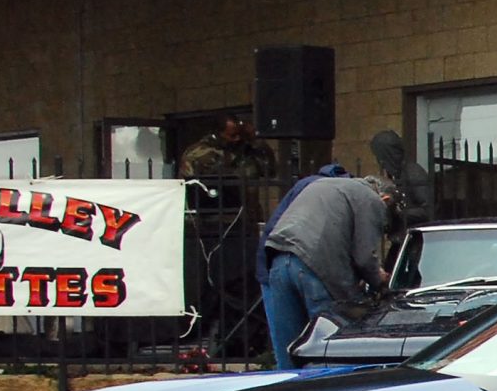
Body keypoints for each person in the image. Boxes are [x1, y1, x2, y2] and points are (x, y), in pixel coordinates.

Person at [261, 173, 392, 367]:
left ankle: (290, 386)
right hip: (315, 268)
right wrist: (379, 280)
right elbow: (365, 257)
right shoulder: (370, 198)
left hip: (278, 259)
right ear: (385, 199)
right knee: (327, 350)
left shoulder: (322, 184)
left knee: (288, 351)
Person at [180, 115, 279, 183]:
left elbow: (270, 171)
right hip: (213, 204)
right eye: (233, 135)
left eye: (239, 134)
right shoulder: (198, 152)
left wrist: (256, 141)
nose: (237, 139)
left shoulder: (245, 148)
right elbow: (187, 183)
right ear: (218, 133)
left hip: (247, 205)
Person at [370, 129, 435, 218]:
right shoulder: (392, 174)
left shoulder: (413, 172)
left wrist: (399, 211)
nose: (379, 162)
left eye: (381, 157)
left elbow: (428, 210)